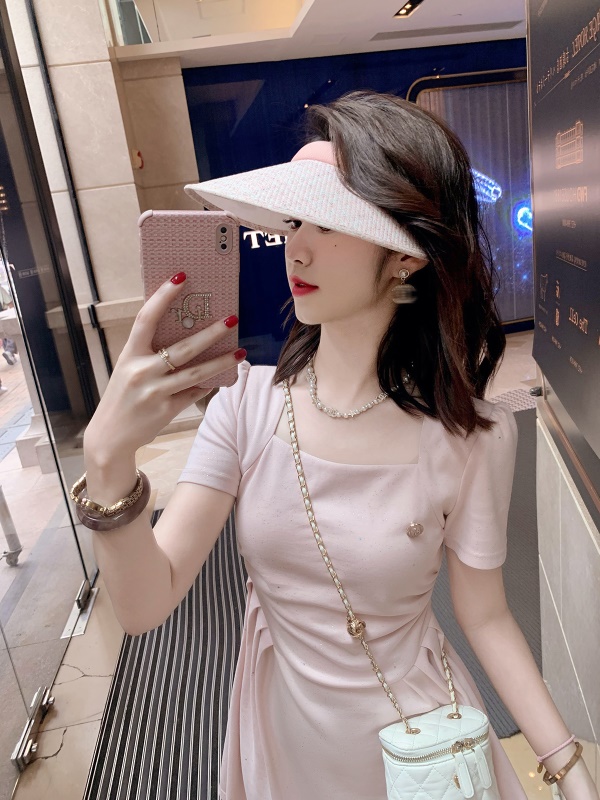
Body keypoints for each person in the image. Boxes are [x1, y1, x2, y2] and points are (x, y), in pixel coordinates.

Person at [79, 92, 598, 800]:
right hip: (282, 743)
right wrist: (108, 460)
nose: (297, 246)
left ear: (406, 256)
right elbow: (145, 605)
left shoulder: (469, 436)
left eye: (329, 223)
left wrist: (569, 768)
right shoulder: (246, 405)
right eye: (295, 221)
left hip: (421, 752)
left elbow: (485, 616)